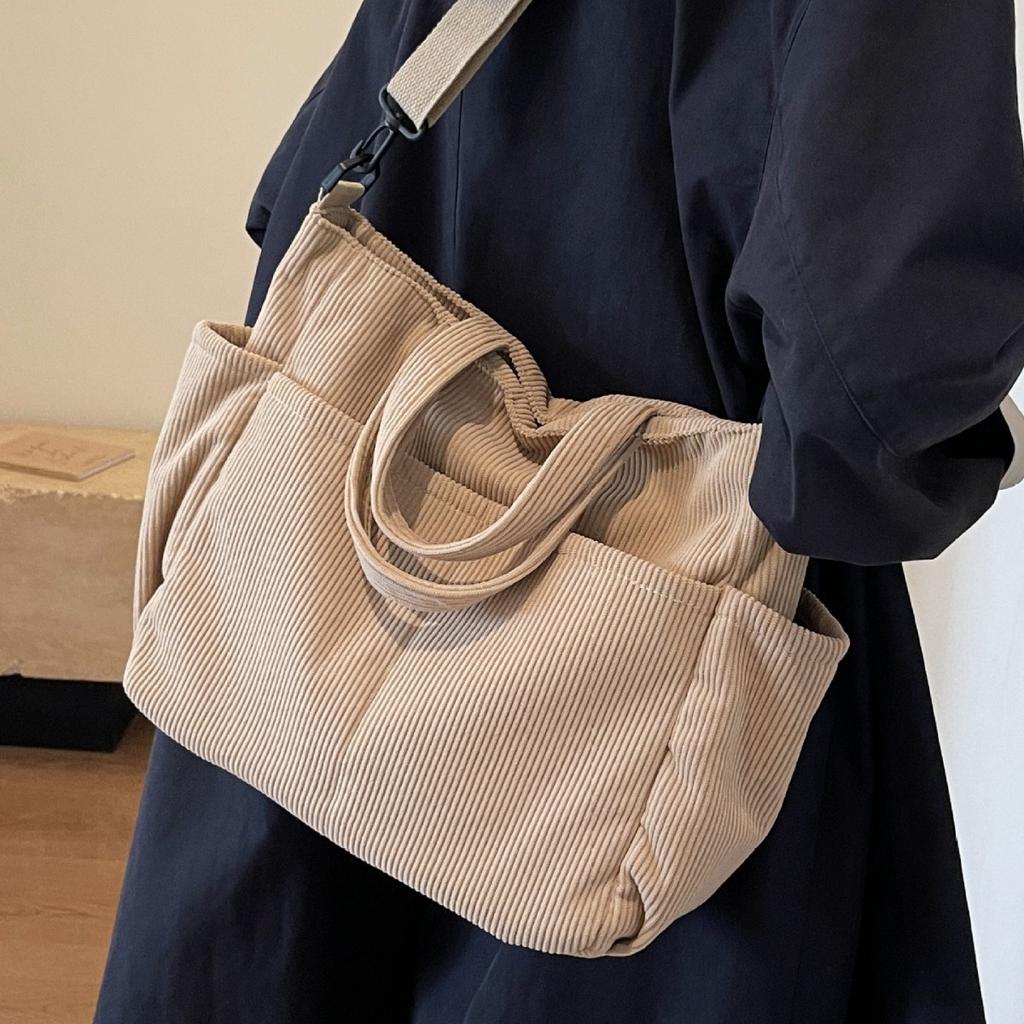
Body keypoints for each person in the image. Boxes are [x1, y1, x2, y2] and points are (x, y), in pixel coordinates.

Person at [94, 1, 1024, 1021]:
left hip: (334, 521)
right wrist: (954, 451)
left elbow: (323, 168)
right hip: (651, 662)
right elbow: (875, 375)